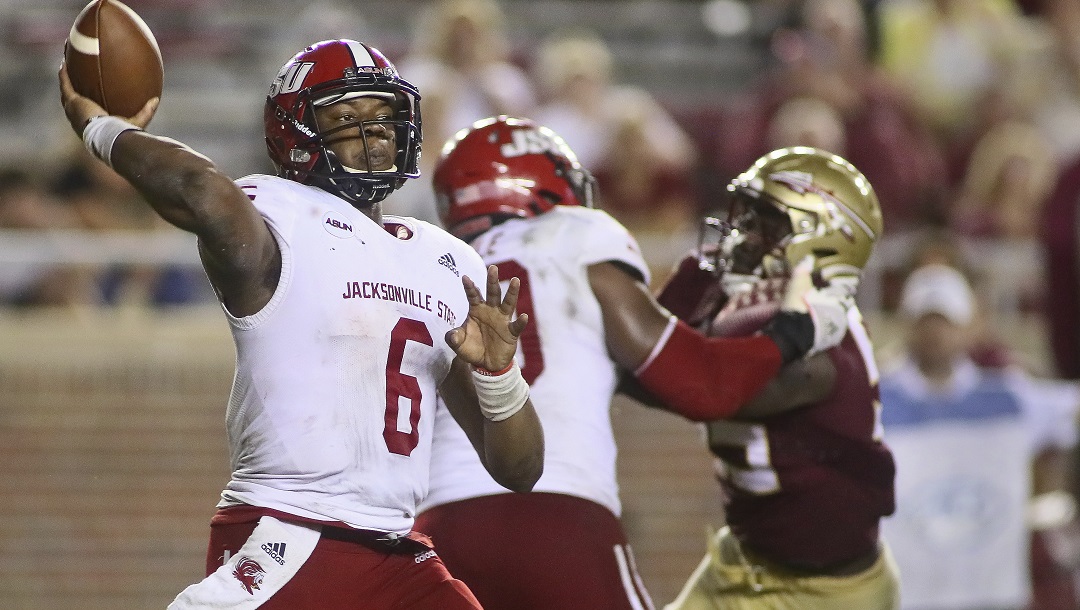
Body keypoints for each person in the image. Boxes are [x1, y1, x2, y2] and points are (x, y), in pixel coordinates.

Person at [59, 39, 545, 610]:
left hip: (399, 552)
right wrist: (102, 129)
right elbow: (200, 190)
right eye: (345, 116)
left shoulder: (447, 261)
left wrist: (499, 374)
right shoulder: (279, 216)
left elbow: (520, 469)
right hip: (291, 532)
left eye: (384, 115)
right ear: (294, 134)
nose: (375, 131)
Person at [414, 118, 856, 609]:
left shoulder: (437, 265)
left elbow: (619, 362)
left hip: (436, 534)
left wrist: (692, 280)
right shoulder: (574, 234)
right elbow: (700, 385)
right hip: (556, 517)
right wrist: (793, 333)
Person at [629, 146, 900, 609]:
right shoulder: (745, 306)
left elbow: (692, 388)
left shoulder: (823, 351)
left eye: (763, 225)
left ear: (822, 239)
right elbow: (651, 366)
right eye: (746, 218)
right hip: (745, 559)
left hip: (829, 594)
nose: (741, 235)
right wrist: (692, 286)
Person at [879, 263, 1080, 610]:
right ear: (907, 324)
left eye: (945, 321)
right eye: (926, 320)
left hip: (991, 595)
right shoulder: (876, 402)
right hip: (908, 596)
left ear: (967, 327)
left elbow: (1069, 408)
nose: (935, 333)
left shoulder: (1008, 397)